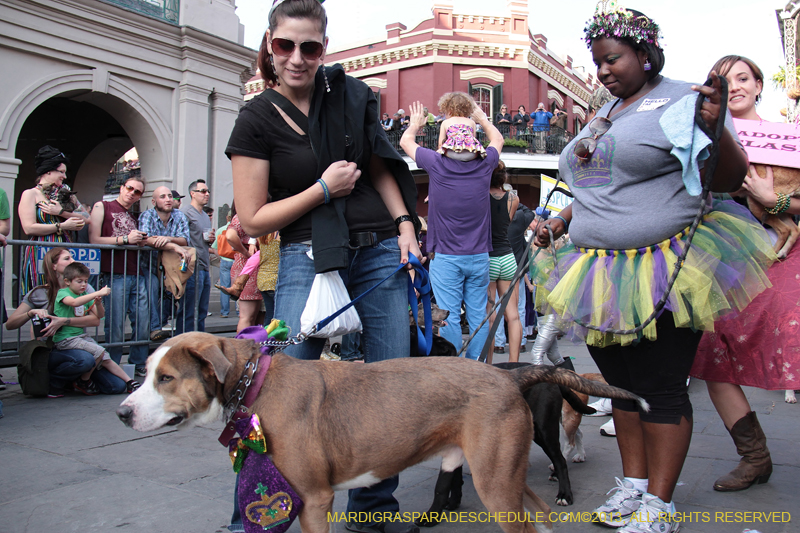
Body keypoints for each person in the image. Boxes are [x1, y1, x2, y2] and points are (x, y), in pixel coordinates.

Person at [531, 6, 775, 532]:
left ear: (645, 53)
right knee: (619, 385)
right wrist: (561, 220)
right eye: (597, 63)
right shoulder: (607, 110)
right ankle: (633, 490)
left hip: (665, 266)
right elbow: (597, 182)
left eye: (612, 59)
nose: (603, 72)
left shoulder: (688, 98)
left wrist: (715, 128)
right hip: (593, 268)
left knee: (661, 387)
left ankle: (659, 507)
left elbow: (729, 176)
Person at [224, 1, 422, 532]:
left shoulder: (349, 95)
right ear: (270, 44)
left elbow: (381, 165)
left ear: (323, 49)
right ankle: (260, 511)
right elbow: (252, 216)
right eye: (285, 45)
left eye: (309, 47)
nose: (296, 58)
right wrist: (321, 189)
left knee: (389, 387)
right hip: (305, 255)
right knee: (275, 386)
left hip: (379, 247)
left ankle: (375, 511)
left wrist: (405, 226)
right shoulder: (256, 116)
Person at [690, 55, 800, 492]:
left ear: (758, 85)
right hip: (723, 266)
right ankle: (754, 458)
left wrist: (771, 201)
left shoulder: (790, 138)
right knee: (713, 361)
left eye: (742, 78)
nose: (733, 86)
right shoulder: (700, 143)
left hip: (784, 261)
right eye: (722, 80)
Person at [401, 96, 503, 361]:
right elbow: (498, 140)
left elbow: (405, 142)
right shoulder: (485, 164)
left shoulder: (437, 163)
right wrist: (482, 119)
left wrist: (415, 124)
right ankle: (477, 369)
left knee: (448, 316)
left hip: (447, 256)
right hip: (479, 255)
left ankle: (454, 371)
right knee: (479, 316)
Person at [5, 248, 128, 396]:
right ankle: (55, 382)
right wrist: (30, 313)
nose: (73, 261)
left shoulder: (84, 288)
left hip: (77, 343)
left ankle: (77, 380)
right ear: (53, 266)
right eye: (67, 258)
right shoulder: (39, 292)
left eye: (72, 258)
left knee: (116, 386)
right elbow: (10, 324)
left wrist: (63, 321)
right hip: (52, 348)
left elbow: (95, 320)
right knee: (86, 360)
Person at [89, 176, 150, 376]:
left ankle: (138, 363)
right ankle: (111, 365)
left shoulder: (132, 216)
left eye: (137, 192)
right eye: (130, 188)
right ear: (122, 187)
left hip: (136, 272)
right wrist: (125, 239)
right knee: (115, 324)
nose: (132, 193)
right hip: (115, 273)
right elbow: (94, 239)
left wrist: (140, 241)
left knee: (143, 322)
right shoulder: (102, 206)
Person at [51, 262, 140, 394]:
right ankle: (83, 380)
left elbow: (100, 315)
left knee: (105, 356)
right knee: (98, 351)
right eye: (79, 281)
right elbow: (74, 302)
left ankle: (129, 381)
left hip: (80, 336)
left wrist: (98, 303)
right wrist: (97, 293)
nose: (83, 285)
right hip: (66, 338)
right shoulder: (63, 293)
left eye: (86, 281)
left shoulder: (84, 296)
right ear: (67, 281)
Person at [18, 146, 87, 295]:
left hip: (65, 253)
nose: (64, 176)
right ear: (48, 171)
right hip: (41, 253)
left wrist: (61, 212)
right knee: (42, 294)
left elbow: (87, 218)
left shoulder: (67, 194)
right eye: (61, 172)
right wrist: (62, 226)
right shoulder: (30, 194)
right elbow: (29, 228)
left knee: (66, 293)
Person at [137, 186, 190, 340]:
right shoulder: (147, 215)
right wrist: (172, 245)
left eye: (169, 196)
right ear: (154, 201)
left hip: (170, 266)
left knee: (179, 290)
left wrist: (167, 239)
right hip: (149, 264)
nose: (168, 199)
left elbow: (184, 239)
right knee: (152, 288)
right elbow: (146, 239)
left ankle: (181, 335)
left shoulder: (179, 215)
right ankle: (155, 328)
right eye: (162, 196)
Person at [485, 162, 521, 364]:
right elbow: (506, 223)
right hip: (508, 257)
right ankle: (514, 364)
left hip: (488, 257)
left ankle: (488, 364)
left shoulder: (480, 198)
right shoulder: (514, 199)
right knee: (513, 316)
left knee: (490, 316)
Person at [493, 201, 535, 356]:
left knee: (495, 308)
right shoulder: (518, 218)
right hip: (515, 266)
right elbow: (529, 212)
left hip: (494, 261)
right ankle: (521, 343)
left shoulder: (493, 216)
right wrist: (513, 198)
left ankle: (498, 344)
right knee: (518, 308)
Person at [181, 179, 214, 333]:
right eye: (203, 191)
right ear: (192, 194)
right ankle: (184, 343)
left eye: (207, 191)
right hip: (192, 265)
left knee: (201, 311)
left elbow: (204, 240)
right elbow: (181, 237)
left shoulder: (205, 216)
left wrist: (210, 240)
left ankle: (199, 342)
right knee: (189, 310)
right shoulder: (185, 212)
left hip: (204, 264)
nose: (207, 194)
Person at [226, 213, 262, 333]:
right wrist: (245, 252)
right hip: (251, 268)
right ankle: (243, 350)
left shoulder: (240, 216)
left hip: (246, 266)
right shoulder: (244, 216)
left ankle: (254, 349)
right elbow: (230, 236)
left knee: (253, 318)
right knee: (248, 317)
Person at [435, 92, 487, 161]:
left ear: (449, 110)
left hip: (451, 152)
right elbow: (474, 139)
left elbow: (440, 144)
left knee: (437, 154)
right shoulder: (471, 122)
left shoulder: (445, 122)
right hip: (471, 153)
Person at [213, 213, 235, 318]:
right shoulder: (239, 228)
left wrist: (220, 257)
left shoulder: (221, 230)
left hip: (225, 260)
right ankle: (240, 311)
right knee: (238, 286)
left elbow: (214, 247)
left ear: (227, 217)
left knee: (224, 287)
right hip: (237, 260)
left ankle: (224, 312)